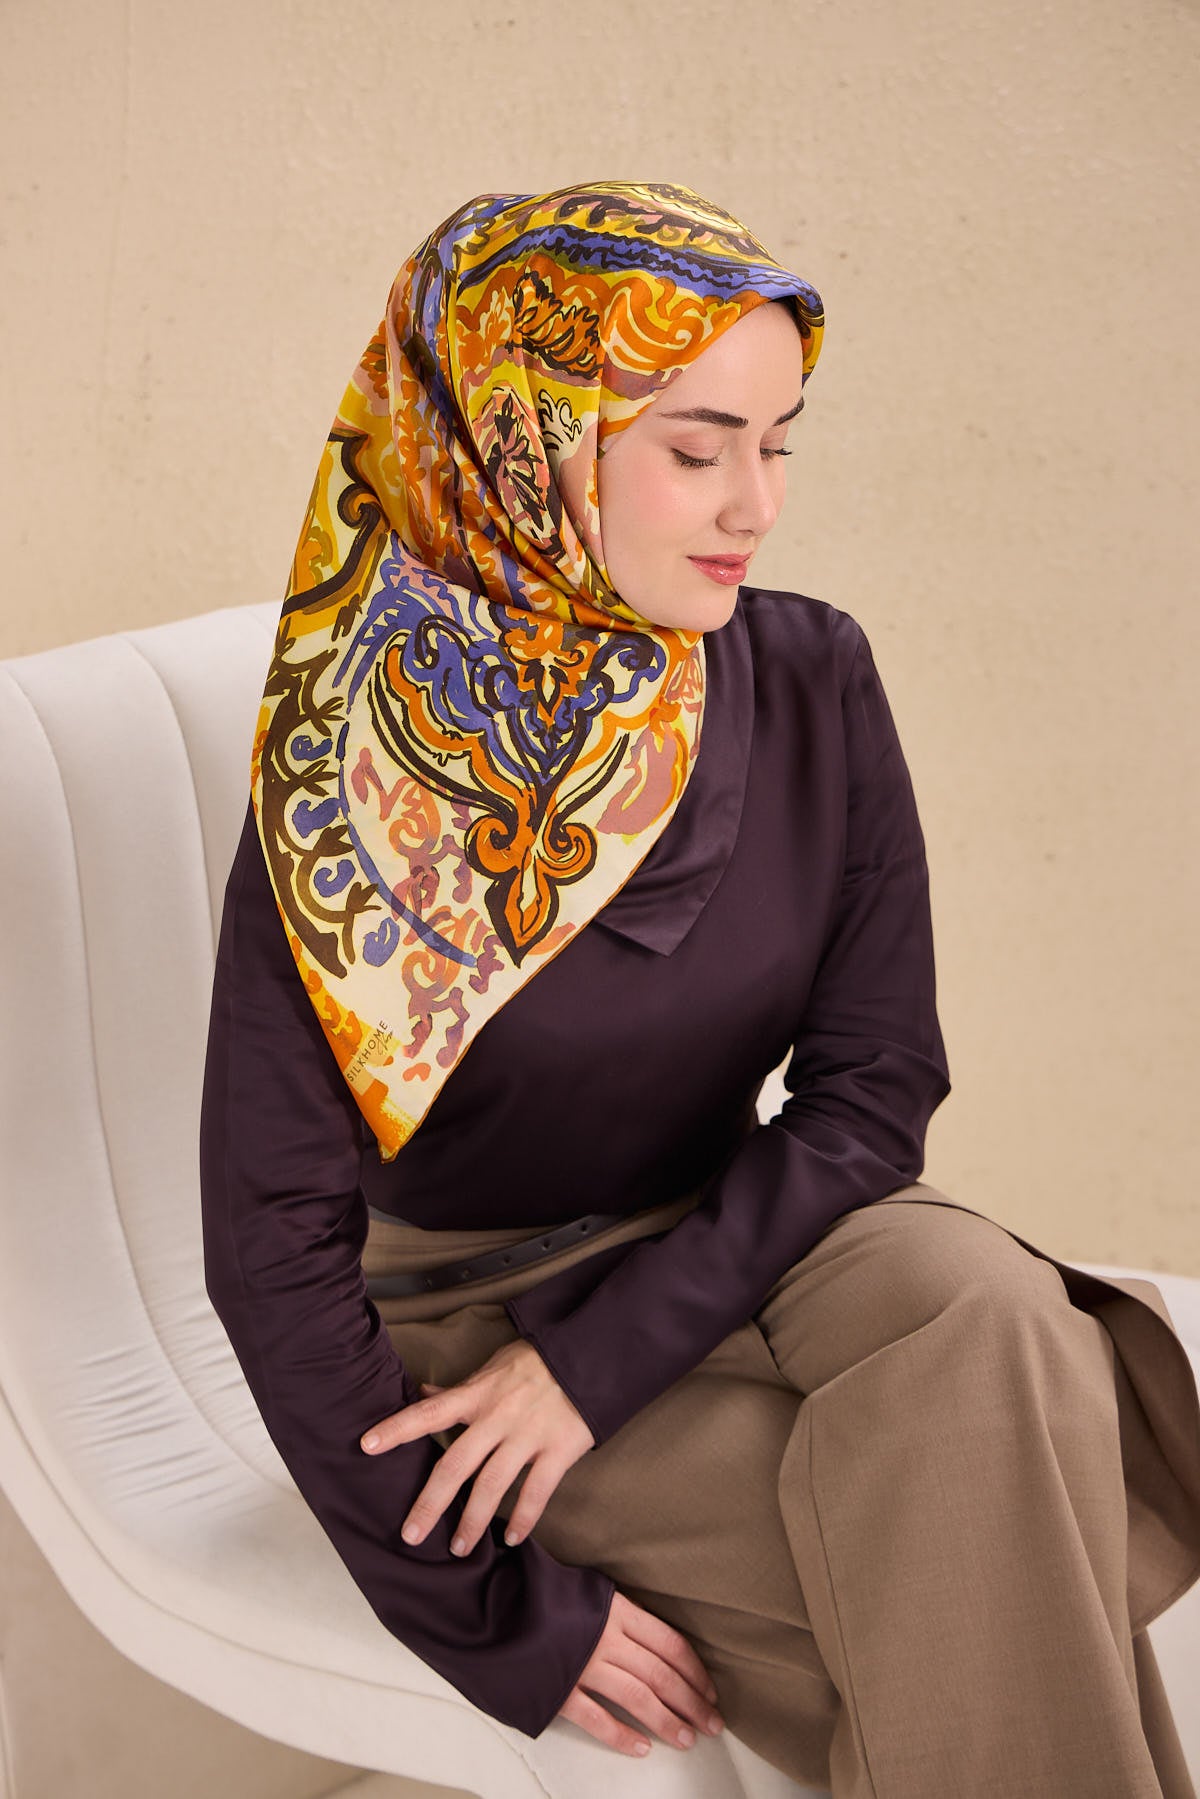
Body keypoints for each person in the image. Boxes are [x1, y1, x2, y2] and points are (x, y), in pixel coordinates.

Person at [200, 181, 1200, 1795]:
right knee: (976, 1557)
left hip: (758, 1231)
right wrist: (497, 1616)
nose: (758, 505)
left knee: (1000, 1317)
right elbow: (268, 1248)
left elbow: (875, 1089)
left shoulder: (809, 674)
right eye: (697, 448)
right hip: (469, 1316)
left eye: (781, 443)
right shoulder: (345, 777)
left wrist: (598, 1365)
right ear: (528, 444)